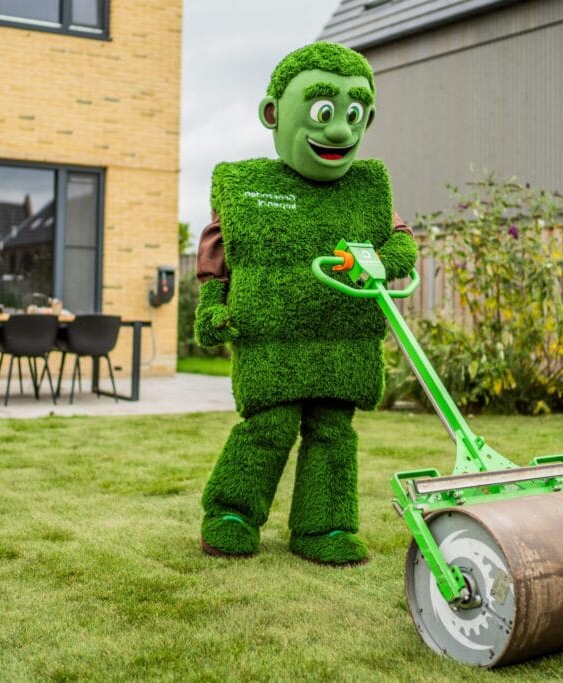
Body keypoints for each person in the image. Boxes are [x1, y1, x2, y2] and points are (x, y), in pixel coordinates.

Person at [193, 42, 417, 565]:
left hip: (344, 340)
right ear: (274, 113)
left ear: (368, 118)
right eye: (323, 111)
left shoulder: (368, 191)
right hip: (272, 339)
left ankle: (325, 527)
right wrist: (211, 305)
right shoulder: (247, 186)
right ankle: (231, 512)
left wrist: (382, 260)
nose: (339, 130)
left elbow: (401, 240)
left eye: (353, 113)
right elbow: (217, 248)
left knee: (333, 433)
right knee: (268, 427)